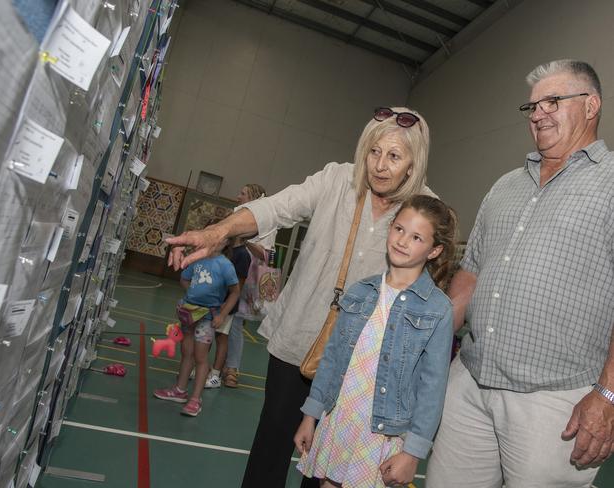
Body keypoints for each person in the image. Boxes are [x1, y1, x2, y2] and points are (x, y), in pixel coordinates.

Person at [166, 106, 435, 487]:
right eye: (374, 152)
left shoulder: (424, 209)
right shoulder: (336, 179)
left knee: (326, 467)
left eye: (394, 156)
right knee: (270, 450)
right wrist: (220, 231)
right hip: (297, 343)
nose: (379, 165)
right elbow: (275, 208)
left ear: (413, 163)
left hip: (360, 366)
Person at [426, 59, 614, 488]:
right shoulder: (505, 185)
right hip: (470, 384)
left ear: (591, 106)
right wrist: (426, 346)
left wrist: (609, 395)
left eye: (553, 100)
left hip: (556, 403)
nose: (539, 113)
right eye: (532, 106)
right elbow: (470, 276)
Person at [294, 195, 456, 488]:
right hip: (340, 419)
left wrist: (413, 453)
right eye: (399, 229)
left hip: (382, 433)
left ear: (434, 251)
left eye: (417, 237)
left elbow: (432, 388)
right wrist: (310, 415)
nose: (402, 241)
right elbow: (331, 359)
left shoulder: (438, 309)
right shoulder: (360, 292)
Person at [153, 240, 240, 416]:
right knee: (186, 351)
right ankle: (180, 390)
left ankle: (195, 399)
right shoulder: (197, 260)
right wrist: (192, 295)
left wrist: (222, 314)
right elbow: (184, 279)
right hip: (190, 314)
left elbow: (235, 292)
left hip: (208, 317)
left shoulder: (225, 265)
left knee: (201, 357)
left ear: (224, 243)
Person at [223, 184, 276, 388]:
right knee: (228, 319)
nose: (238, 197)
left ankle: (231, 368)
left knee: (235, 321)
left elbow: (271, 256)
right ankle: (223, 365)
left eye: (243, 194)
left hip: (249, 276)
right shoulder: (238, 216)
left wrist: (245, 241)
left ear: (254, 198)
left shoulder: (269, 223)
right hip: (231, 269)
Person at [205, 234, 251, 388]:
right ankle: (203, 369)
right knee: (206, 337)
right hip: (214, 301)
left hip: (226, 305)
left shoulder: (243, 255)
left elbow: (238, 286)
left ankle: (216, 375)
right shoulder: (227, 250)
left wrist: (226, 306)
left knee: (221, 338)